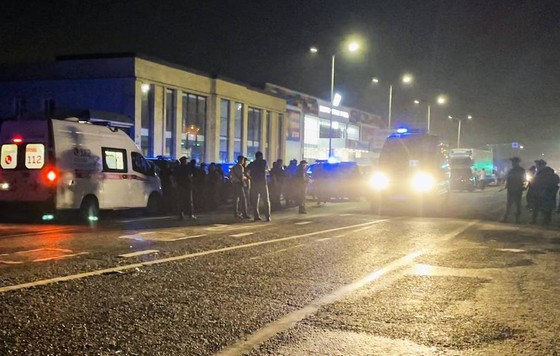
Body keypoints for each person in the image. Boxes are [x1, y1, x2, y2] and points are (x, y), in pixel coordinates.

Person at [530, 159, 559, 225]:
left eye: (537, 165)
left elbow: (535, 183)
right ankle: (545, 222)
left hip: (542, 194)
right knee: (546, 209)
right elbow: (557, 182)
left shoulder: (542, 174)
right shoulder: (548, 173)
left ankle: (536, 221)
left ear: (541, 165)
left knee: (538, 208)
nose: (536, 166)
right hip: (547, 194)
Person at [247, 151, 271, 221]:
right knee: (266, 200)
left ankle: (256, 216)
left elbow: (246, 171)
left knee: (255, 201)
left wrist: (250, 178)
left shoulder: (252, 163)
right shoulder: (264, 162)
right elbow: (267, 169)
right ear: (261, 156)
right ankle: (267, 217)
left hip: (254, 183)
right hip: (262, 183)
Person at [501, 157, 526, 224]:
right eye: (512, 162)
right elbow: (508, 179)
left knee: (517, 205)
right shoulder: (511, 170)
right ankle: (506, 218)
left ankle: (517, 219)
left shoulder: (520, 170)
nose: (512, 163)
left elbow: (523, 179)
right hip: (511, 189)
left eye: (513, 162)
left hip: (517, 190)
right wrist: (506, 185)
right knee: (509, 204)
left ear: (517, 162)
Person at [229, 155, 250, 219]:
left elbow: (230, 176)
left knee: (235, 200)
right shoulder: (241, 167)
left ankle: (235, 213)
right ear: (241, 160)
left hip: (234, 184)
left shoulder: (233, 167)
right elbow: (241, 176)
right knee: (243, 199)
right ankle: (244, 214)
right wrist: (244, 180)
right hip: (239, 184)